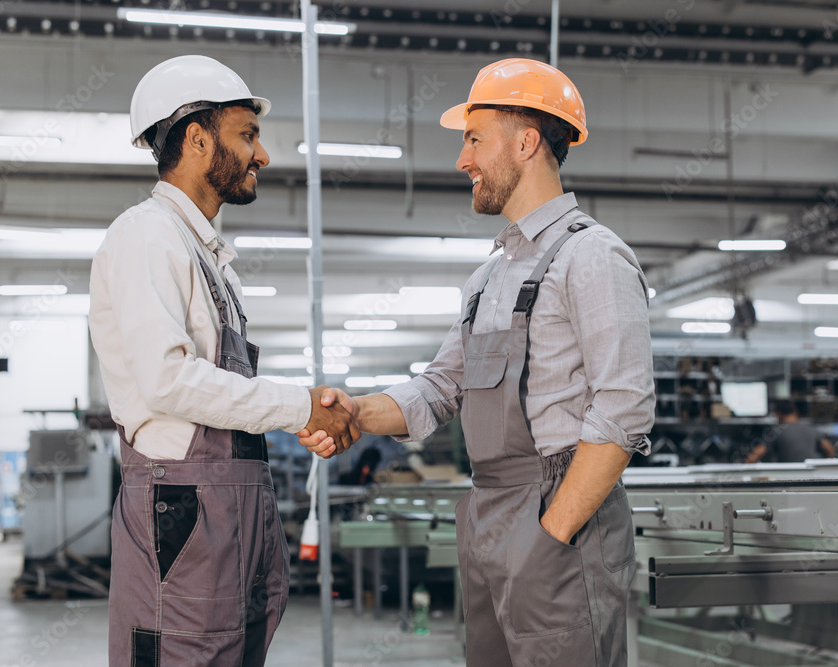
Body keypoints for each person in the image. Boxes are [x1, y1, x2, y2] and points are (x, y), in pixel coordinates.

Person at [299, 58, 655, 666]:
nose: (462, 160)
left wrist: (552, 535)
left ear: (526, 142)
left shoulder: (592, 257)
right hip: (489, 513)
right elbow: (440, 388)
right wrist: (356, 413)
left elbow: (624, 410)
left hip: (556, 515)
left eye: (473, 139)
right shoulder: (488, 277)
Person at [88, 55, 357, 667]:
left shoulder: (206, 256)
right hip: (183, 519)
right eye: (248, 135)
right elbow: (167, 380)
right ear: (197, 138)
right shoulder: (147, 235)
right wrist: (300, 407)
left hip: (231, 517)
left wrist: (304, 415)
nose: (262, 155)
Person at [745, 400, 836, 463]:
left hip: (786, 478)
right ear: (796, 412)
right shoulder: (811, 430)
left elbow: (756, 455)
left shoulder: (776, 431)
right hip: (810, 476)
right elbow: (829, 449)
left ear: (777, 414)